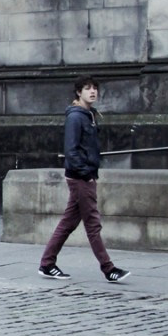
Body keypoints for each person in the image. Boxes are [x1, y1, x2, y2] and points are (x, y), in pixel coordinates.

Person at [38, 76, 130, 283]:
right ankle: (109, 269)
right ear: (78, 92)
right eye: (88, 88)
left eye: (95, 88)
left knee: (68, 223)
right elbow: (71, 150)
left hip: (84, 175)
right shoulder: (76, 117)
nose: (93, 92)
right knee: (92, 223)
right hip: (81, 177)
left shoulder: (89, 115)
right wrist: (86, 174)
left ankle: (47, 264)